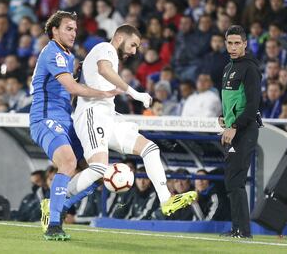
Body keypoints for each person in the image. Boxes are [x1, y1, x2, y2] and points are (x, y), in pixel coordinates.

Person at [64, 24, 197, 221]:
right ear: (119, 37)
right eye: (133, 45)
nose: (134, 51)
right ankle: (56, 200)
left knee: (150, 148)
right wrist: (134, 92)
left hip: (108, 116)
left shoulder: (108, 54)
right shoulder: (105, 48)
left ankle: (166, 200)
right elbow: (104, 69)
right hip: (92, 115)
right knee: (99, 168)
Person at [29, 11, 117, 241]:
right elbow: (73, 89)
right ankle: (54, 224)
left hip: (66, 120)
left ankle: (62, 204)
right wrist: (106, 93)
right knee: (68, 162)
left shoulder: (68, 56)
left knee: (98, 168)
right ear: (54, 31)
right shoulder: (52, 52)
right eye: (68, 28)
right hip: (45, 119)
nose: (73, 33)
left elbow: (73, 90)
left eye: (75, 29)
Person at [219, 25, 261, 239]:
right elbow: (231, 101)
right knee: (231, 181)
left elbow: (252, 106)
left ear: (245, 43)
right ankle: (237, 229)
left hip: (243, 131)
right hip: (231, 130)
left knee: (236, 180)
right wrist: (223, 116)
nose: (233, 47)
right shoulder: (228, 68)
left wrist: (234, 126)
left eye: (237, 43)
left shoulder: (250, 68)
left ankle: (243, 231)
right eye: (229, 43)